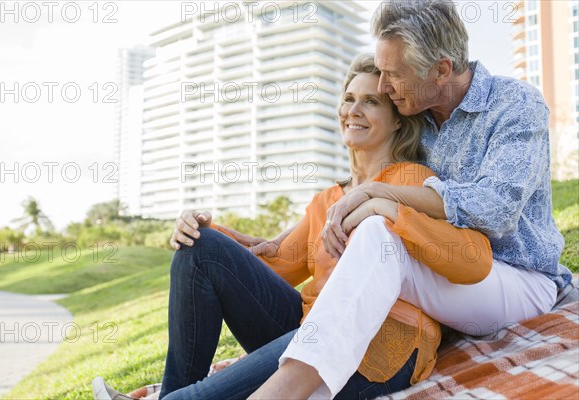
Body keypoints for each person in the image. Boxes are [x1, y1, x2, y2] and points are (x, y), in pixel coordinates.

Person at [92, 53, 494, 400]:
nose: (352, 110)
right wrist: (208, 230)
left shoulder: (411, 182)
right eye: (349, 99)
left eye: (370, 101)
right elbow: (273, 266)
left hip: (377, 342)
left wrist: (391, 213)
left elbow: (470, 258)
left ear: (397, 123)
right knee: (200, 247)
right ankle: (174, 386)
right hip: (308, 331)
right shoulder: (327, 201)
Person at [250, 1, 572, 399]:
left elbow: (495, 207)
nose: (383, 87)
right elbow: (369, 172)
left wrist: (383, 197)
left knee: (377, 230)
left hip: (514, 278)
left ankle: (285, 388)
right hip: (439, 266)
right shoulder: (416, 118)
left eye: (394, 74)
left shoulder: (515, 105)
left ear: (441, 70)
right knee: (376, 233)